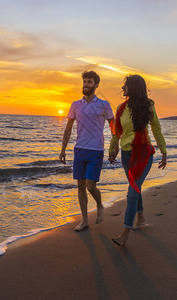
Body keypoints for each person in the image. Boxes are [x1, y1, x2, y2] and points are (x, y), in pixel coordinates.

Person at [108, 74, 167, 246]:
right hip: (126, 155)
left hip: (143, 155)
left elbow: (156, 127)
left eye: (125, 85)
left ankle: (125, 233)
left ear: (132, 87)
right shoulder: (121, 108)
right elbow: (117, 132)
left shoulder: (149, 106)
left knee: (132, 192)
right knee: (136, 186)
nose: (122, 88)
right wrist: (112, 149)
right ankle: (141, 217)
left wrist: (163, 150)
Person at [59, 71, 115, 231]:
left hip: (96, 150)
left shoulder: (104, 104)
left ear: (96, 85)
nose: (86, 85)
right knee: (80, 186)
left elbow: (113, 126)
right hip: (79, 150)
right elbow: (68, 128)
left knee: (91, 186)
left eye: (89, 82)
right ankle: (84, 220)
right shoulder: (75, 105)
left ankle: (99, 204)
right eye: (84, 82)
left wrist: (114, 145)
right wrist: (63, 148)